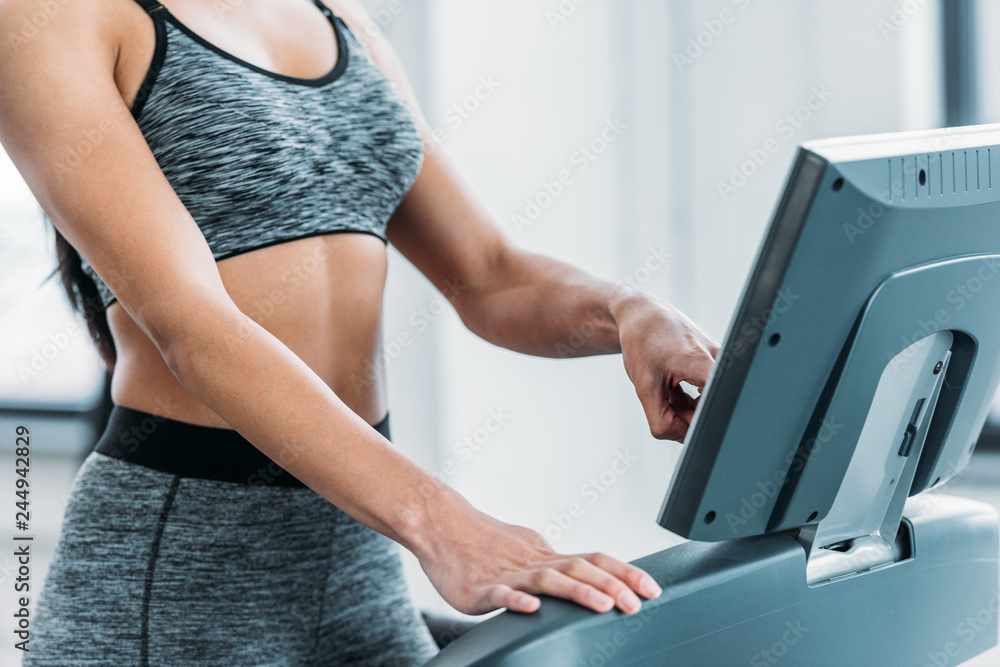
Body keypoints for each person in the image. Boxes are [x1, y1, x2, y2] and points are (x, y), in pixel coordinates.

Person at [0, 0, 719, 664]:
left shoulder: (335, 17)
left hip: (357, 566)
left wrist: (631, 312)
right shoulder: (52, 17)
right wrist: (443, 524)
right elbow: (191, 323)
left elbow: (491, 273)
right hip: (179, 586)